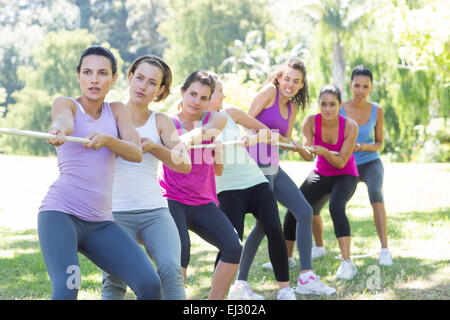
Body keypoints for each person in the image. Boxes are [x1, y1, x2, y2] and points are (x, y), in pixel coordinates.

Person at [38, 46, 161, 299]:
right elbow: (64, 119)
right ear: (79, 76)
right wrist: (58, 129)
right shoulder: (67, 104)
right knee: (67, 288)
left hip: (100, 223)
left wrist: (107, 140)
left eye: (102, 73)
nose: (94, 79)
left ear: (114, 78)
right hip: (61, 213)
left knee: (150, 283)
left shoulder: (116, 110)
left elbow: (135, 152)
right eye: (88, 72)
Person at [237, 58, 336, 296]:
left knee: (304, 211)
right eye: (287, 79)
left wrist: (299, 147)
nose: (290, 84)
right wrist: (266, 135)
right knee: (264, 223)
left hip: (273, 166)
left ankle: (306, 277)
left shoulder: (292, 108)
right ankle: (240, 283)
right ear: (279, 77)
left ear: (302, 85)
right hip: (255, 164)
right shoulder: (269, 92)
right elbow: (244, 123)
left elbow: (283, 141)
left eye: (296, 82)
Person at [101, 55, 191, 300]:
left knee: (171, 271)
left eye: (152, 82)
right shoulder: (107, 114)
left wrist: (154, 148)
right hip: (116, 212)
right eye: (139, 78)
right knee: (114, 278)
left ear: (161, 90)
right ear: (130, 78)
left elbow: (185, 164)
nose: (143, 86)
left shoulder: (161, 121)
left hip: (154, 212)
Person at [205, 73, 296, 300]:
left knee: (274, 228)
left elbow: (266, 132)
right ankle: (221, 296)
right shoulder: (195, 124)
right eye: (220, 91)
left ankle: (284, 290)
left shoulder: (231, 113)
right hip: (227, 189)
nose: (224, 95)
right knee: (231, 243)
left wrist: (252, 139)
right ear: (207, 93)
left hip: (255, 181)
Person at [158, 70, 242, 300]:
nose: (197, 101)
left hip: (203, 201)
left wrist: (217, 152)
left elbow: (218, 170)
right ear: (182, 93)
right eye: (192, 94)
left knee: (234, 248)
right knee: (180, 251)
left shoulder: (216, 119)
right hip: (172, 198)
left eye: (204, 98)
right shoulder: (166, 122)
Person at [311, 65, 393, 266]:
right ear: (350, 85)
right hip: (343, 165)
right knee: (314, 204)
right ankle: (319, 246)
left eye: (365, 86)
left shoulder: (377, 110)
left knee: (376, 193)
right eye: (357, 85)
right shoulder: (340, 107)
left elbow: (380, 143)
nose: (360, 90)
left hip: (369, 162)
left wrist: (365, 145)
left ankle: (385, 250)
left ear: (371, 88)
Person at [284, 84, 360, 280]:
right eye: (323, 104)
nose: (327, 109)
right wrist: (300, 148)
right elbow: (309, 156)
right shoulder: (310, 122)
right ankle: (287, 257)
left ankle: (347, 263)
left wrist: (325, 152)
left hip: (345, 174)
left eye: (332, 104)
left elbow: (342, 160)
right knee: (295, 208)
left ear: (340, 105)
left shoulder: (351, 126)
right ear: (318, 104)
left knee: (336, 207)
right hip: (320, 173)